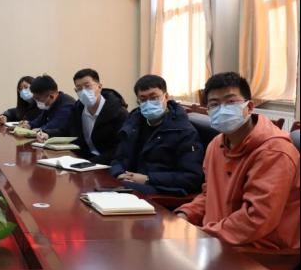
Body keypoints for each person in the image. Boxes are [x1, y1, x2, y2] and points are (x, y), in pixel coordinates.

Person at [176, 72, 299, 250]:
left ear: (249, 106)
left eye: (231, 101)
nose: (222, 109)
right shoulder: (216, 145)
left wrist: (203, 236)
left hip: (259, 251)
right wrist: (185, 214)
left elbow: (257, 219)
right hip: (218, 240)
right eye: (214, 104)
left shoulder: (274, 152)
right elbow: (209, 195)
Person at [109, 74, 203, 195]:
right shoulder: (134, 122)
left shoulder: (184, 131)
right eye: (143, 99)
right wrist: (119, 173)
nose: (148, 103)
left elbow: (191, 177)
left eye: (154, 98)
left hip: (162, 189)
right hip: (129, 182)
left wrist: (148, 179)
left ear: (166, 97)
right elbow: (119, 157)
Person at [40, 68, 128, 164]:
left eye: (87, 86)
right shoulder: (77, 109)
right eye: (79, 88)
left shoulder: (119, 113)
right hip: (83, 160)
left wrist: (90, 162)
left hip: (107, 164)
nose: (84, 91)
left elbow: (120, 148)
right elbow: (66, 130)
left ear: (99, 87)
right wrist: (47, 134)